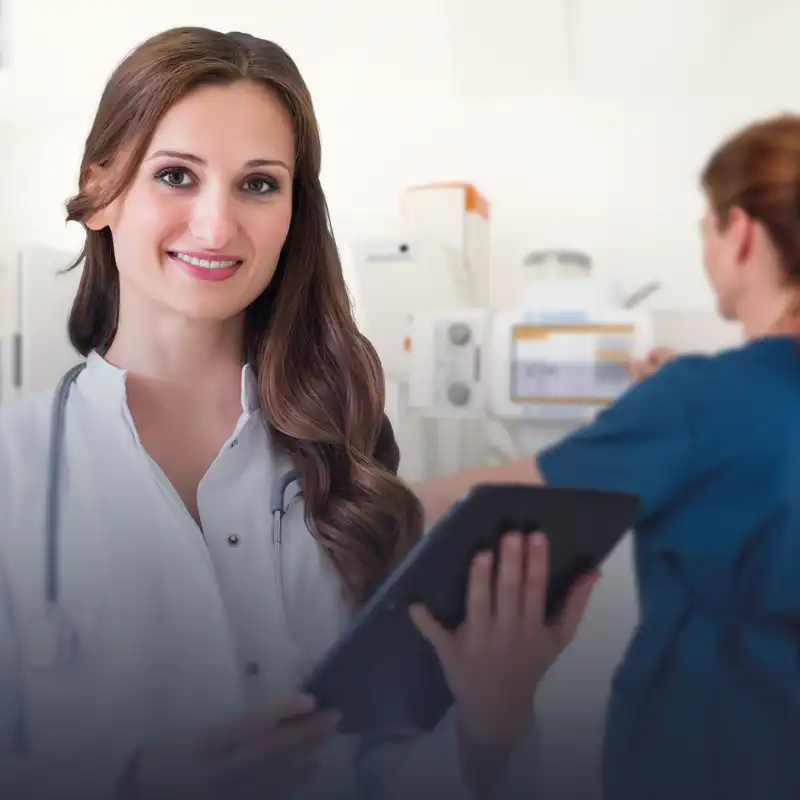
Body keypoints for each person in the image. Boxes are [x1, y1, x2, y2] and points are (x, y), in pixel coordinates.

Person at [0, 27, 598, 800]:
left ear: (292, 213)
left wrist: (492, 723)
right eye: (177, 175)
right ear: (102, 191)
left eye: (258, 184)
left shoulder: (349, 463)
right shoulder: (15, 467)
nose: (217, 227)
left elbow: (396, 765)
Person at [414, 113, 800, 800]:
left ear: (739, 232)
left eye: (707, 230)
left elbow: (491, 495)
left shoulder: (698, 401)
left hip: (720, 741)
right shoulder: (703, 400)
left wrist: (339, 496)